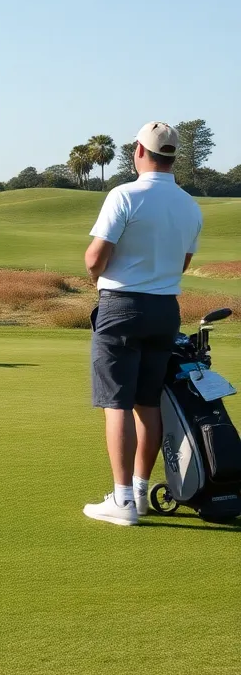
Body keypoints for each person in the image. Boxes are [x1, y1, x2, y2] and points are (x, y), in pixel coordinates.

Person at [82, 121, 203, 526]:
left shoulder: (124, 195)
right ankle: (138, 492)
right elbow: (183, 262)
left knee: (116, 403)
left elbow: (95, 259)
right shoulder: (190, 205)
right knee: (147, 401)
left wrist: (99, 276)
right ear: (173, 156)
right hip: (165, 309)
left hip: (121, 306)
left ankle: (121, 503)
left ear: (138, 150)